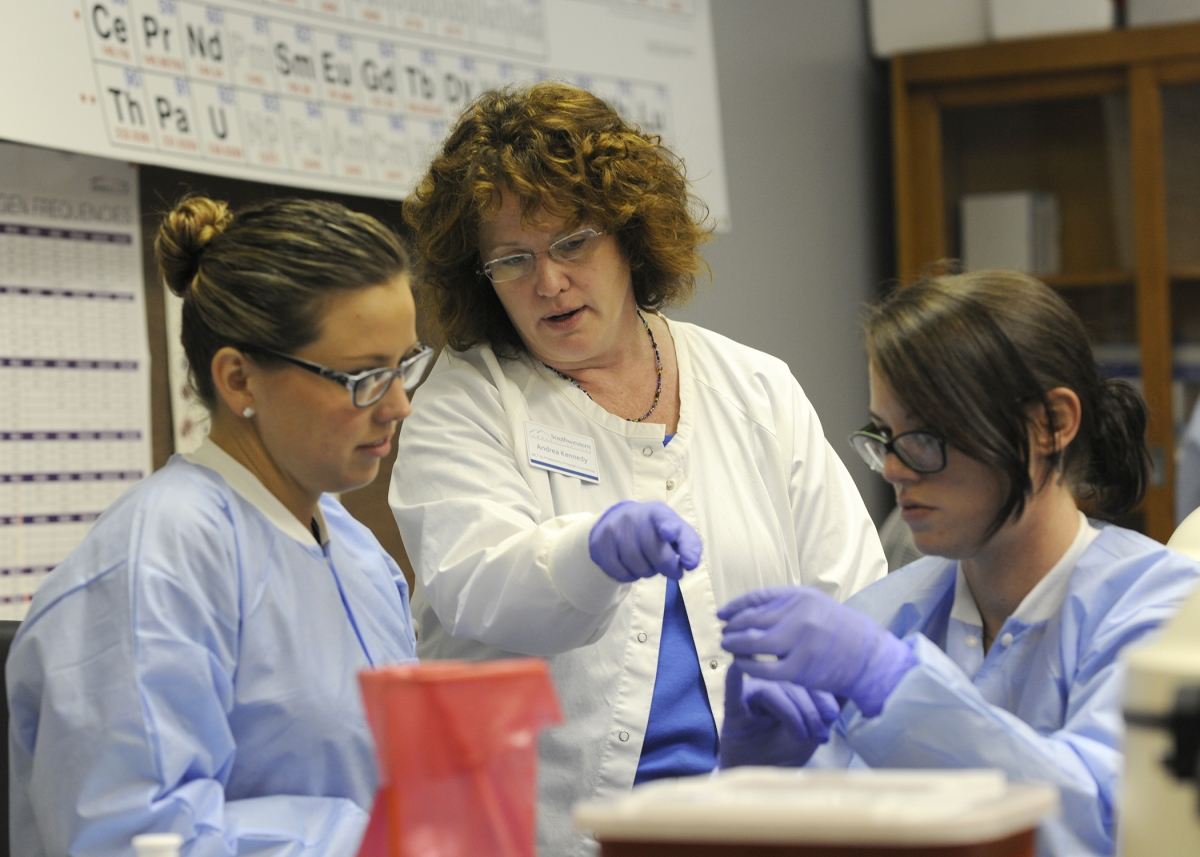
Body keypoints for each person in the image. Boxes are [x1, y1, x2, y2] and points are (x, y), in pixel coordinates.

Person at [389, 81, 887, 857]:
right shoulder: (468, 401)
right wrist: (587, 556)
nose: (547, 282)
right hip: (551, 830)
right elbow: (477, 585)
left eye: (572, 244)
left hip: (762, 824)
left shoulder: (754, 387)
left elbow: (852, 592)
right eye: (512, 260)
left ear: (629, 231)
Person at [717, 269, 1200, 857]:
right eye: (885, 434)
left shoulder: (1168, 613)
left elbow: (1112, 824)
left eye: (925, 436)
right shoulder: (886, 615)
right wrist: (763, 792)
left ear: (1052, 423)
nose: (894, 468)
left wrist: (896, 688)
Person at [8, 196, 433, 856]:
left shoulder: (355, 550)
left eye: (404, 365)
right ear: (239, 379)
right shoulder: (159, 560)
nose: (399, 405)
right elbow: (130, 837)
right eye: (364, 377)